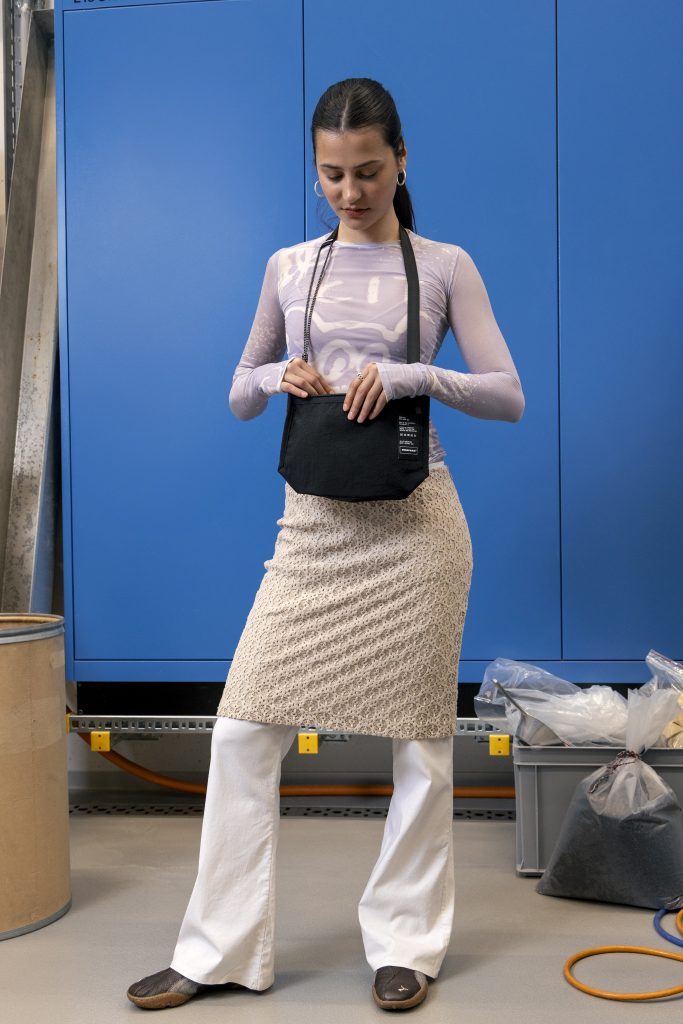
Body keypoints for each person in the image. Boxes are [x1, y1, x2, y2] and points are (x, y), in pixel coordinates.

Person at [127, 77, 524, 1012]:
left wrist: (411, 374)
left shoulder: (447, 265)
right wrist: (279, 372)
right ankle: (216, 951)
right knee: (241, 729)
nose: (351, 193)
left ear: (401, 161)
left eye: (369, 172)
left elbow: (507, 392)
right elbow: (236, 391)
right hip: (312, 528)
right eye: (333, 176)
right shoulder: (288, 268)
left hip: (418, 525)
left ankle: (406, 946)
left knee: (422, 749)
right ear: (317, 171)